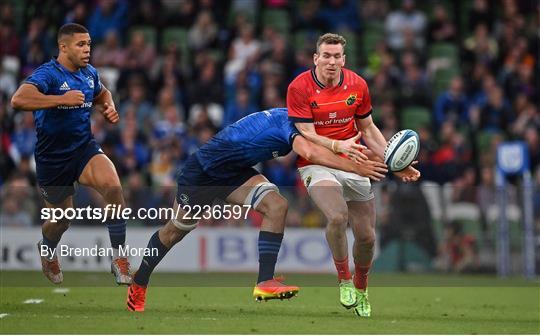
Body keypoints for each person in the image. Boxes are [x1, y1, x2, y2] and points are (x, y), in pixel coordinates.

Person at [126, 108, 388, 312]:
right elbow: (311, 152)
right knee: (175, 231)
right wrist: (357, 168)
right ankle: (140, 282)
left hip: (236, 173)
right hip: (203, 173)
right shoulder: (291, 129)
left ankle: (264, 281)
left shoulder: (295, 120)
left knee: (277, 206)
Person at [287, 33, 420, 317]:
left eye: (337, 56)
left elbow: (369, 129)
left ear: (343, 59)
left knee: (367, 237)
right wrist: (337, 145)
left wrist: (395, 163)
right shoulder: (299, 87)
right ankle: (344, 279)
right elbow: (306, 133)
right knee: (337, 216)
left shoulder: (357, 84)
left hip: (355, 160)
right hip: (317, 162)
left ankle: (361, 287)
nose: (331, 61)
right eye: (326, 55)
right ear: (316, 58)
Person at [10, 23, 131, 285]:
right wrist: (59, 99)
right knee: (62, 220)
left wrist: (107, 107)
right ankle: (47, 248)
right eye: (81, 44)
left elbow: (102, 93)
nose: (87, 49)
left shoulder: (89, 74)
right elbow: (18, 100)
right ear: (63, 47)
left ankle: (119, 258)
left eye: (88, 44)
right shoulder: (48, 74)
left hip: (83, 148)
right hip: (52, 159)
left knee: (113, 187)